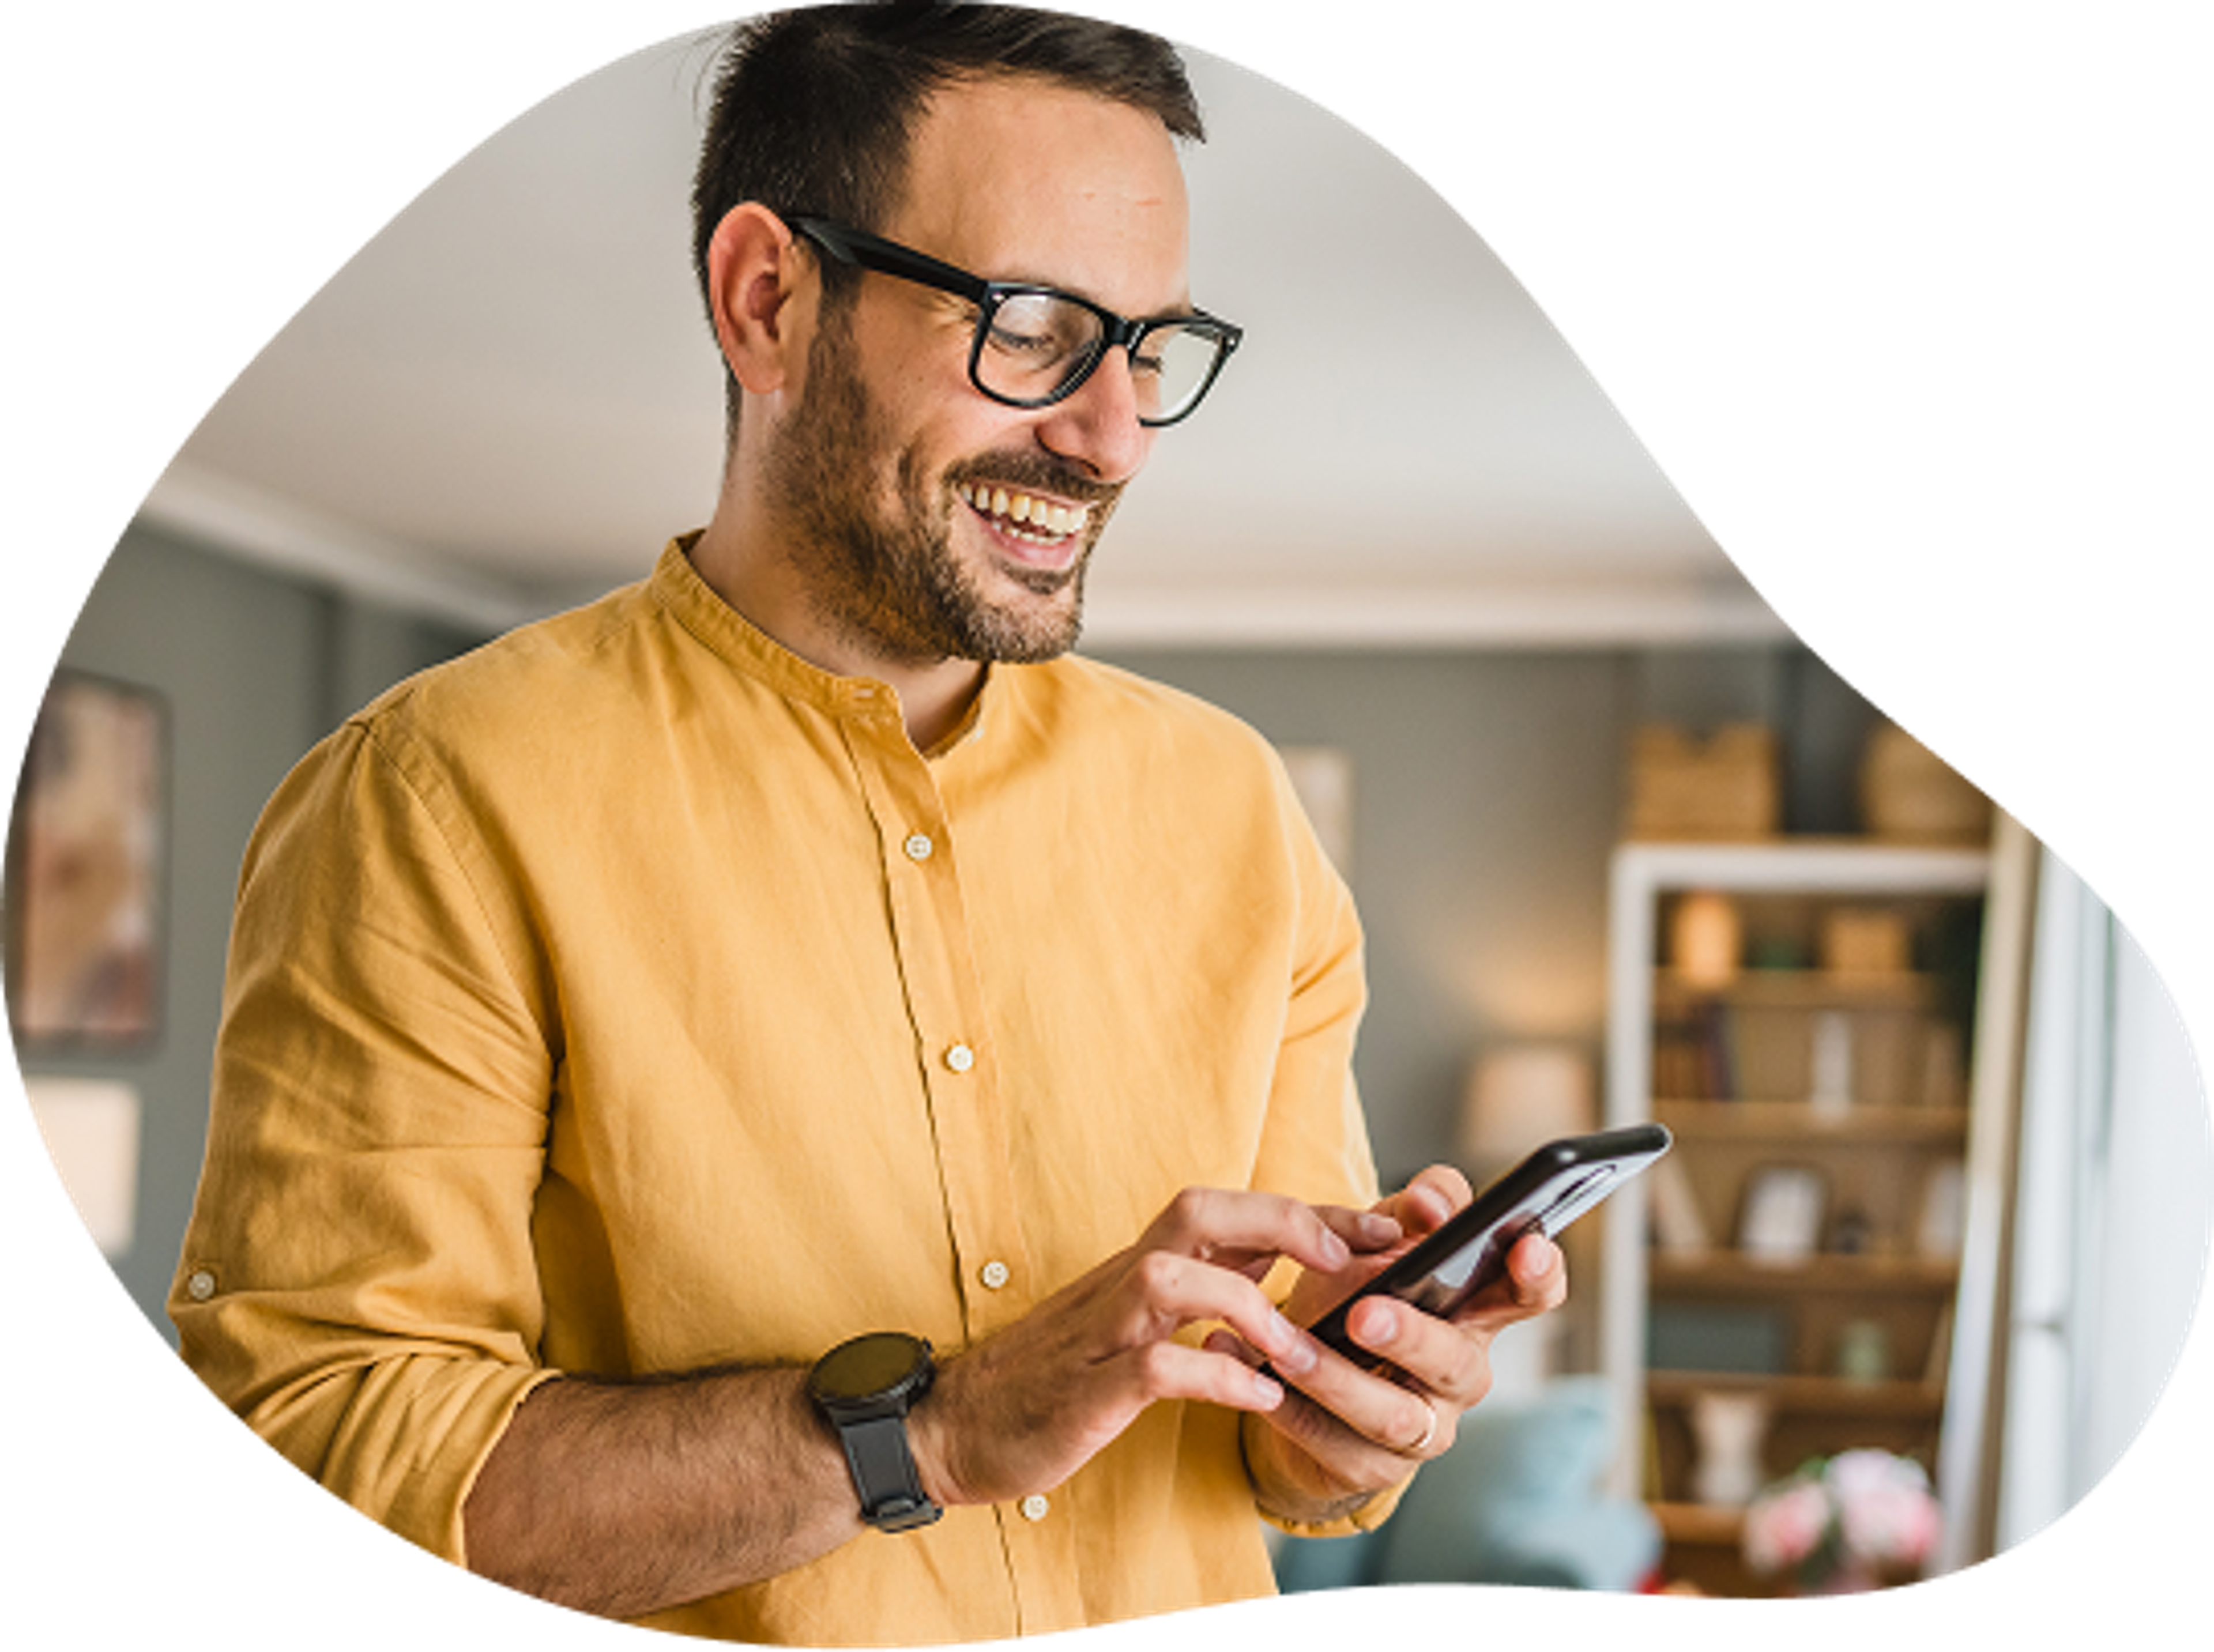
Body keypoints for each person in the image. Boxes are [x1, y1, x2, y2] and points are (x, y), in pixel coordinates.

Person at [169, 5, 1565, 1642]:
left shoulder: (1235, 813)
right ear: (768, 299)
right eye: (1033, 328)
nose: (1111, 435)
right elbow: (332, 1446)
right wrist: (937, 1428)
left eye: (1152, 347)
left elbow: (1288, 1473)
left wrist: (1352, 1409)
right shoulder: (437, 801)